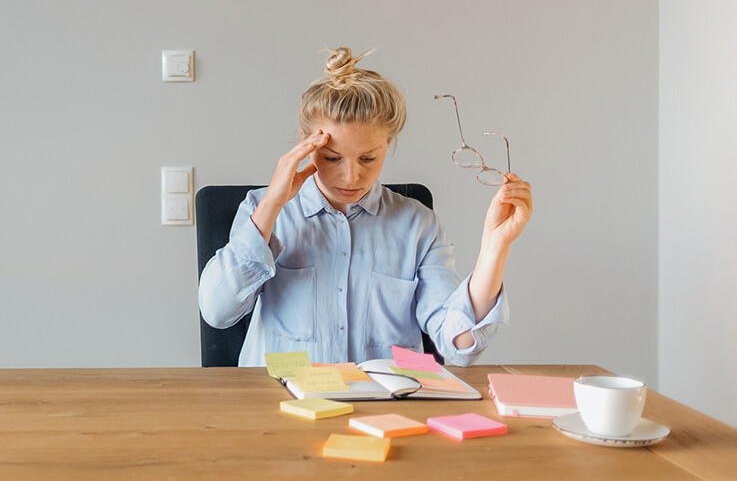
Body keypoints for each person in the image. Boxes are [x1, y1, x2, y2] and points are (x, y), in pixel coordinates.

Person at [198, 47, 532, 367]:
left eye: (368, 158)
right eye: (332, 158)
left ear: (388, 143)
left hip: (383, 401)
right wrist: (273, 204)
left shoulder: (418, 225)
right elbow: (217, 313)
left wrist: (495, 245)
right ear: (305, 143)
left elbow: (458, 346)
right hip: (282, 399)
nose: (351, 176)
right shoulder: (262, 210)